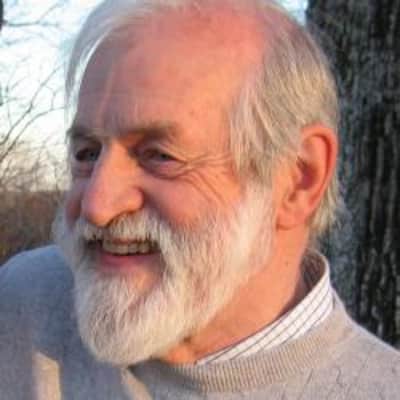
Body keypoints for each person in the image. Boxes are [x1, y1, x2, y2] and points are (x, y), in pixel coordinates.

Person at [0, 0, 399, 398]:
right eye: (87, 154)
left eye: (159, 156)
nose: (96, 206)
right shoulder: (24, 306)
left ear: (299, 178)